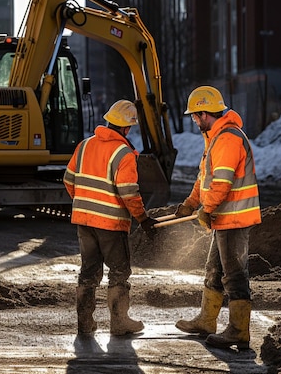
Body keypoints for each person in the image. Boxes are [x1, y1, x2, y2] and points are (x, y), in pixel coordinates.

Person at [174, 85, 261, 350]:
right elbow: (205, 178)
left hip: (234, 219)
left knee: (234, 276)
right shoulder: (215, 137)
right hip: (223, 219)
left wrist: (206, 209)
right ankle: (206, 320)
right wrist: (191, 203)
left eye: (194, 116)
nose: (193, 120)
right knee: (214, 270)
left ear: (204, 113)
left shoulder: (227, 139)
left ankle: (238, 331)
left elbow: (221, 184)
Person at [63, 99, 159, 336]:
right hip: (111, 224)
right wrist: (143, 219)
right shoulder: (123, 153)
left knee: (88, 271)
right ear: (126, 128)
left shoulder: (85, 145)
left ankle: (85, 325)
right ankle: (119, 323)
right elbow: (128, 192)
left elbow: (68, 179)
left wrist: (84, 203)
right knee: (118, 271)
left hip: (84, 221)